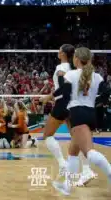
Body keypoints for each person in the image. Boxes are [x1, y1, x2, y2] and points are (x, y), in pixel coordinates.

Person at [52, 47, 111, 195]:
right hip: (91, 114)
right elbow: (106, 94)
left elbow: (64, 94)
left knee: (89, 153)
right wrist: (93, 102)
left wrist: (50, 97)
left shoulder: (71, 74)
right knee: (72, 151)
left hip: (77, 113)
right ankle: (67, 186)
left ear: (76, 59)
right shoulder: (97, 76)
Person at [41, 44, 75, 177]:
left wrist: (49, 97)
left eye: (59, 50)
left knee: (48, 135)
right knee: (76, 138)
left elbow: (63, 89)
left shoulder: (61, 68)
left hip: (63, 104)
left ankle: (63, 164)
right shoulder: (74, 68)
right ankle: (85, 169)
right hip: (73, 104)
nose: (58, 52)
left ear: (64, 54)